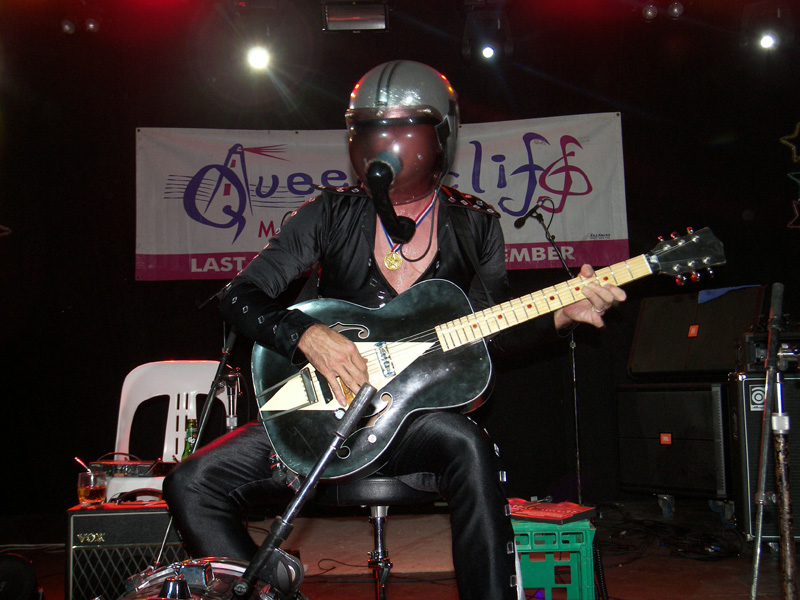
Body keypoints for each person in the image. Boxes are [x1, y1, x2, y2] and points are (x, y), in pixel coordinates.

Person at [163, 60, 626, 600]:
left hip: (414, 419)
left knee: (468, 444)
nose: (383, 140)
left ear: (441, 135)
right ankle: (268, 592)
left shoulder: (475, 225)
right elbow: (239, 296)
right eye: (369, 127)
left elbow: (491, 332)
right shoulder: (329, 213)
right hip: (321, 415)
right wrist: (306, 335)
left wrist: (560, 313)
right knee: (190, 483)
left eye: (404, 125)